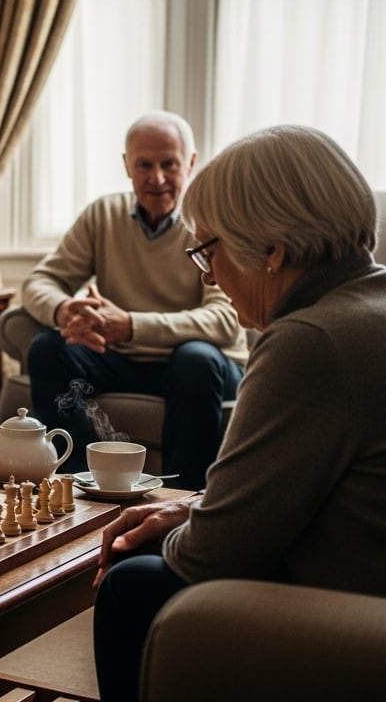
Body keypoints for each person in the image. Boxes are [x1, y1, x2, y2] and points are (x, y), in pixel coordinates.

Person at [90, 124, 386, 702]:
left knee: (133, 585)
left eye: (209, 251)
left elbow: (211, 556)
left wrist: (187, 530)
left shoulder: (313, 340)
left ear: (273, 251)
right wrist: (193, 511)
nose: (207, 274)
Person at [20, 111, 247, 489]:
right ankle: (83, 484)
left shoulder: (211, 221)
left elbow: (225, 318)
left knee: (194, 359)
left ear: (190, 164)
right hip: (124, 358)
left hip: (201, 364)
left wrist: (131, 325)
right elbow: (40, 282)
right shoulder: (103, 215)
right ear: (127, 165)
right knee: (48, 348)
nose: (156, 178)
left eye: (169, 164)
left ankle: (181, 496)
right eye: (144, 165)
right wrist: (64, 308)